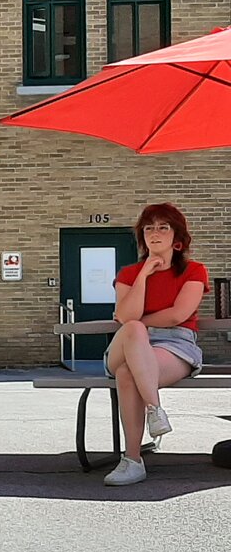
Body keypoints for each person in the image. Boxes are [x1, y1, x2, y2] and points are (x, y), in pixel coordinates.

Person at [103, 202, 210, 486]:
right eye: (149, 228)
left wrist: (142, 321)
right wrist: (144, 274)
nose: (155, 233)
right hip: (128, 343)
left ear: (177, 238)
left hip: (175, 346)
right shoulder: (129, 274)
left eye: (164, 227)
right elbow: (126, 317)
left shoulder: (194, 271)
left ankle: (132, 460)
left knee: (128, 373)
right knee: (135, 329)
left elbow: (179, 314)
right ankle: (155, 409)